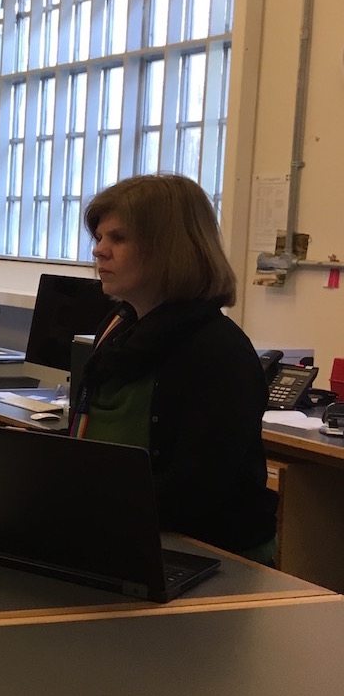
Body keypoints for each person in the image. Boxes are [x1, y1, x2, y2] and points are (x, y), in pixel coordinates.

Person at [71, 173, 278, 563]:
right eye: (99, 238)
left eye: (118, 238)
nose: (99, 251)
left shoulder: (218, 351)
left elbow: (194, 492)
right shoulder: (118, 328)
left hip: (208, 556)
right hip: (125, 533)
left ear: (168, 248)